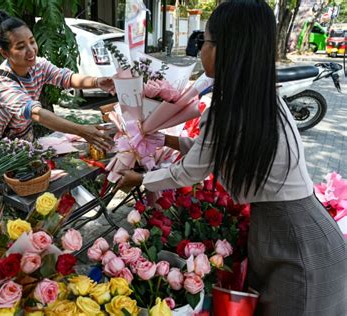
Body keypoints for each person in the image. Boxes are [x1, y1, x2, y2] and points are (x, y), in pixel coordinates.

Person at [117, 1, 347, 315]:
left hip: (296, 245)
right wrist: (165, 138)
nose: (200, 51)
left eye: (205, 42)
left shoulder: (230, 109)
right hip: (294, 232)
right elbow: (213, 151)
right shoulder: (259, 101)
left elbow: (190, 172)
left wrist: (141, 179)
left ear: (229, 49)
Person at [0, 10, 114, 155]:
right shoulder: (1, 83)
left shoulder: (38, 65)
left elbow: (66, 77)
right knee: (3, 177)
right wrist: (82, 131)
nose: (31, 50)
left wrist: (97, 82)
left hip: (18, 135)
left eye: (32, 41)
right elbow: (36, 114)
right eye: (21, 47)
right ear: (5, 53)